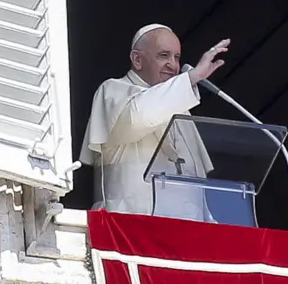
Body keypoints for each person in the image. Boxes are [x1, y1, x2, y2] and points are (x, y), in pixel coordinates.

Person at [79, 23, 230, 221]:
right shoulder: (113, 90)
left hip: (186, 234)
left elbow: (197, 183)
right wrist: (191, 78)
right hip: (130, 228)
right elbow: (137, 117)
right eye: (163, 55)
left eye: (176, 57)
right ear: (137, 59)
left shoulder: (181, 106)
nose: (173, 65)